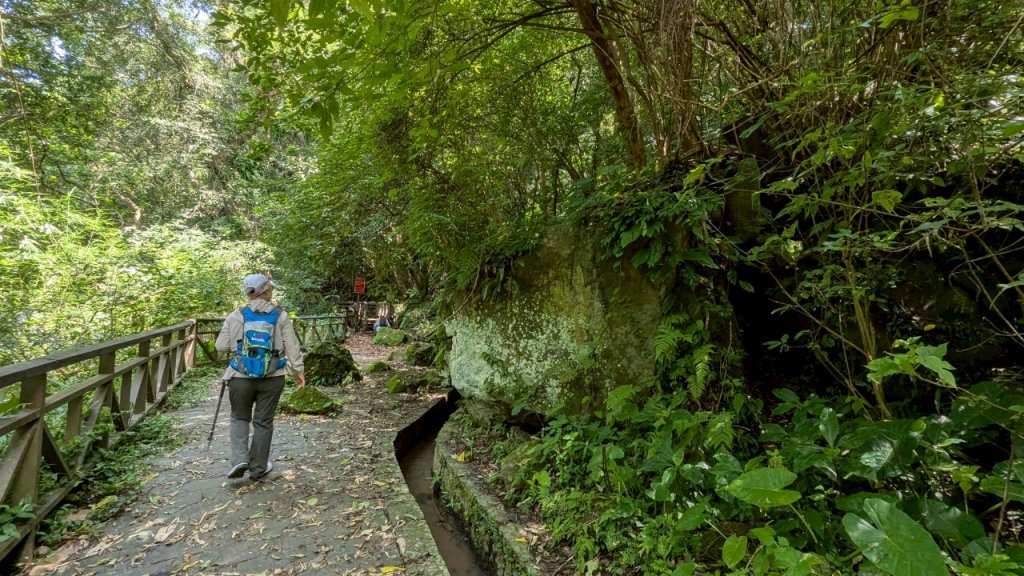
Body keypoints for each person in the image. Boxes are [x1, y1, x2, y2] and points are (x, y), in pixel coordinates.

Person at [215, 273, 305, 481]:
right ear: (264, 291)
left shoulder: (236, 315)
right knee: (263, 422)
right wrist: (297, 371)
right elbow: (292, 346)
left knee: (239, 417)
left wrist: (242, 348)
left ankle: (239, 459)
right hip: (273, 377)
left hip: (240, 377)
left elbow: (220, 346)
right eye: (270, 288)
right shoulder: (281, 316)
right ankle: (258, 468)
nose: (272, 291)